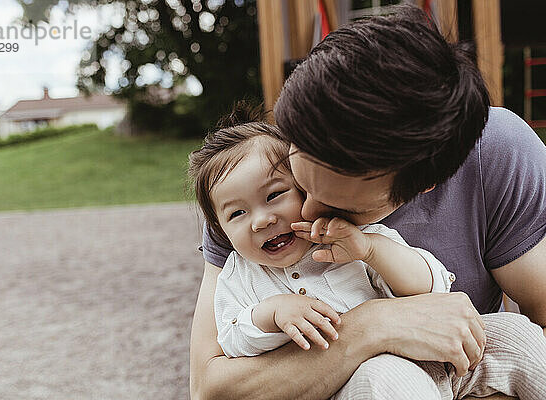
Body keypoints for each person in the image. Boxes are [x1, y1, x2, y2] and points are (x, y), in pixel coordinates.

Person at [189, 5, 546, 400]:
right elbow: (212, 388)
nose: (304, 215)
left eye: (339, 206)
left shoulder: (498, 154)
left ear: (425, 184)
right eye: (301, 185)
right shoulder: (254, 185)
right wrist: (373, 326)